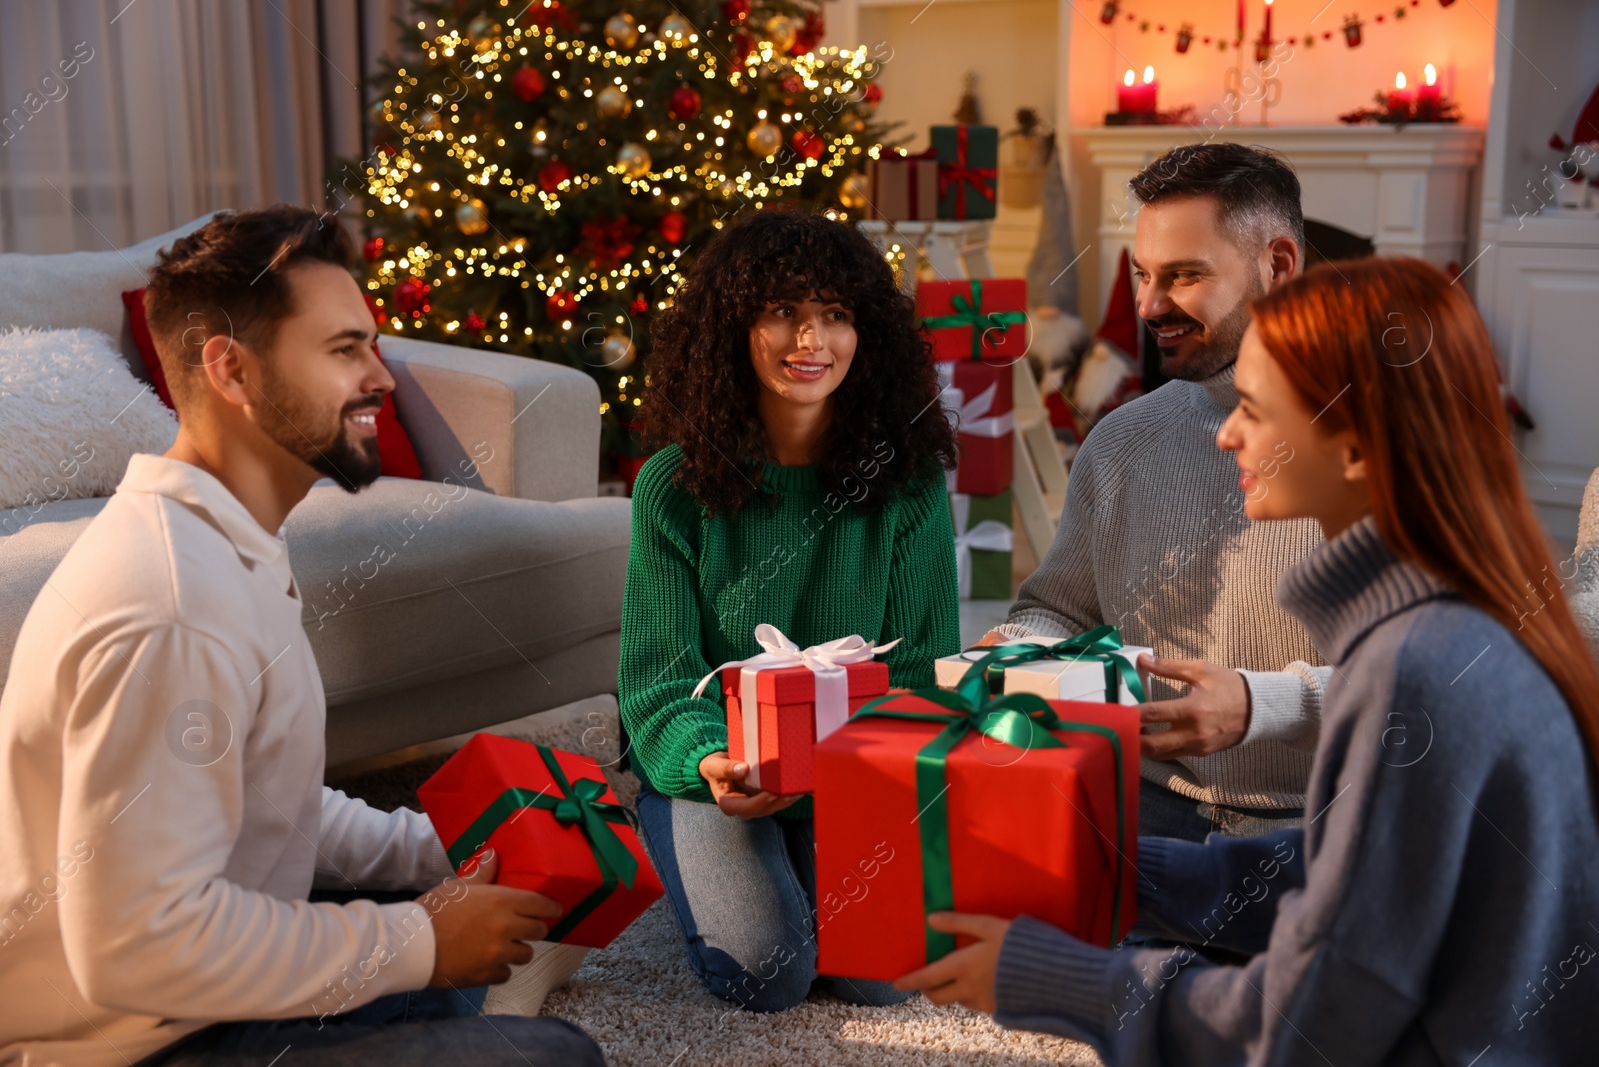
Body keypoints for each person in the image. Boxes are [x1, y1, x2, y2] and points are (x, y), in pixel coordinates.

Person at [897, 256, 1599, 1064]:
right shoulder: (1455, 624)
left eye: (1256, 410)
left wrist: (1046, 977)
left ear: (1357, 449)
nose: (1226, 431)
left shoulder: (1416, 667)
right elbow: (1345, 875)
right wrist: (1117, 869)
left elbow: (1300, 1026)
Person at [0, 207, 604, 1067]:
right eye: (343, 349)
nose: (383, 378)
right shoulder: (172, 607)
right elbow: (132, 950)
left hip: (188, 991)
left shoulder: (228, 537)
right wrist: (421, 937)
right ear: (231, 370)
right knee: (553, 1057)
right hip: (128, 1041)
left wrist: (440, 854)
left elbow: (267, 800)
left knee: (451, 948)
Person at [619, 208, 961, 1012]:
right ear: (733, 327)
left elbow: (921, 675)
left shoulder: (907, 486)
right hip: (716, 772)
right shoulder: (672, 487)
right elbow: (658, 685)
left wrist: (867, 790)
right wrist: (712, 764)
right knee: (771, 973)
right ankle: (684, 839)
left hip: (858, 774)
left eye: (835, 316)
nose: (811, 341)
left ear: (864, 332)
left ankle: (799, 869)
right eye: (783, 312)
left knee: (880, 977)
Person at [980, 142, 1330, 842]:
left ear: (1279, 264)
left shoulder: (1370, 448)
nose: (1148, 305)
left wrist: (1264, 703)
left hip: (1320, 827)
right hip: (1141, 813)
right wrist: (1017, 645)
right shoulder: (1119, 441)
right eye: (1141, 274)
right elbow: (1060, 606)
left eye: (1184, 275)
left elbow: (1442, 677)